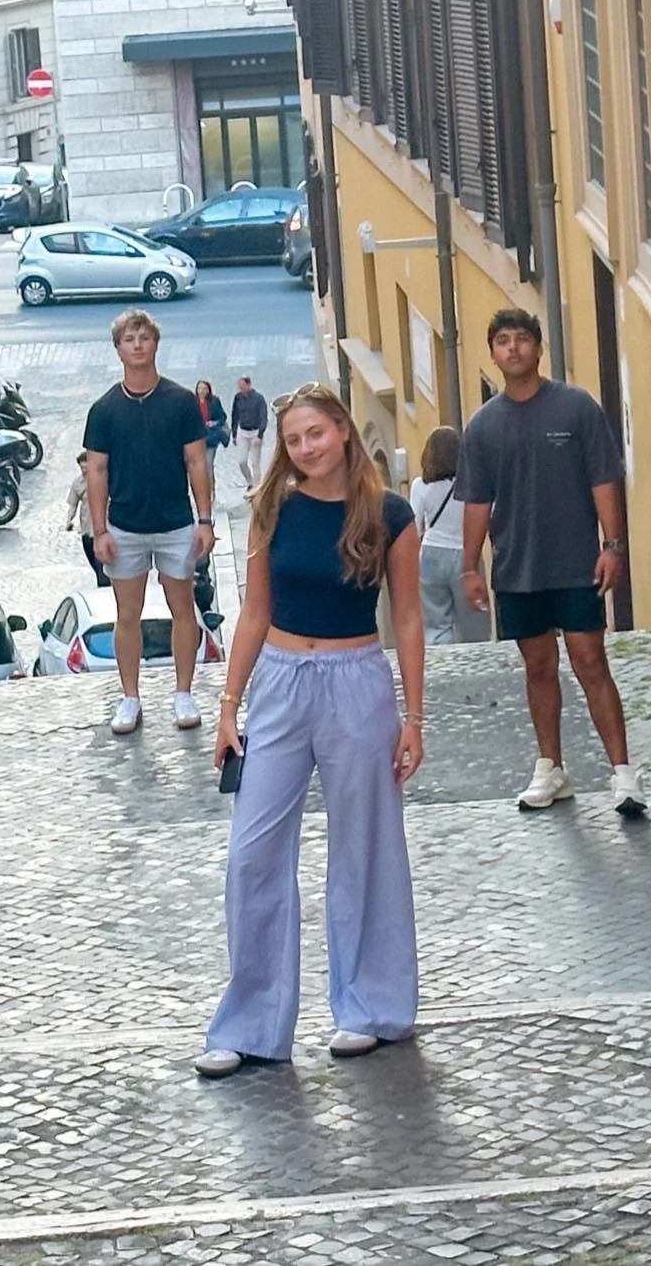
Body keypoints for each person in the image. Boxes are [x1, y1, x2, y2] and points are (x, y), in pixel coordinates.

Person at [196, 382, 424, 1080]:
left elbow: (407, 618)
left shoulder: (390, 515)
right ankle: (252, 1027)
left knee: (365, 847)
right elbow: (253, 614)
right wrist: (228, 706)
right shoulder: (271, 509)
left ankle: (372, 1008)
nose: (305, 448)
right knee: (252, 854)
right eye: (293, 439)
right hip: (281, 683)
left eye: (315, 434)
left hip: (358, 683)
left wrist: (414, 718)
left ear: (343, 431)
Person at [455, 308, 645, 816]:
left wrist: (613, 546)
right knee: (538, 667)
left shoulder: (577, 408)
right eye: (503, 341)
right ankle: (550, 768)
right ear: (492, 353)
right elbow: (477, 503)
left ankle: (623, 774)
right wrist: (471, 567)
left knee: (590, 662)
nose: (513, 348)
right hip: (518, 567)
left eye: (522, 339)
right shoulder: (483, 427)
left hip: (577, 563)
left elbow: (604, 479)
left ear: (539, 348)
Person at [84, 309, 214, 735]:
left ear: (156, 344)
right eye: (129, 339)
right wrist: (100, 530)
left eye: (144, 337)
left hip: (175, 522)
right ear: (118, 349)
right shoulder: (104, 410)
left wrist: (205, 520)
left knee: (183, 609)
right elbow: (96, 471)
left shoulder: (180, 402)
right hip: (124, 526)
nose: (138, 345)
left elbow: (197, 462)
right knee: (127, 614)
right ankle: (130, 696)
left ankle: (183, 692)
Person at [409, 426, 487, 646]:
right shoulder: (472, 483)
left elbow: (414, 526)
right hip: (466, 553)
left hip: (431, 554)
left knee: (436, 622)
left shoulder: (420, 486)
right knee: (474, 621)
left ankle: (441, 656)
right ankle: (475, 657)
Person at [66, 450, 110, 587]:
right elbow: (73, 504)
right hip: (87, 529)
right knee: (94, 562)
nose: (84, 470)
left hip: (104, 529)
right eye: (82, 468)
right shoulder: (77, 483)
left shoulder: (105, 479)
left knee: (101, 565)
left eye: (86, 467)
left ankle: (104, 587)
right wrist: (69, 520)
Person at [231, 376, 268, 489]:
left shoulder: (259, 398)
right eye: (239, 387)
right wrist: (234, 433)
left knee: (255, 462)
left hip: (255, 432)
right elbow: (235, 415)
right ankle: (250, 482)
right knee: (242, 461)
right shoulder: (238, 398)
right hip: (243, 432)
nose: (241, 389)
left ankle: (257, 487)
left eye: (243, 386)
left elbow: (263, 417)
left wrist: (260, 435)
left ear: (248, 385)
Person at [195, 379, 229, 497]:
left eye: (204, 388)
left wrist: (215, 423)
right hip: (197, 439)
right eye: (200, 388)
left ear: (208, 390)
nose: (202, 391)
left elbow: (222, 417)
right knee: (198, 467)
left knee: (208, 465)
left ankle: (211, 493)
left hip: (211, 437)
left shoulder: (214, 401)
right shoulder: (192, 402)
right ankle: (200, 493)